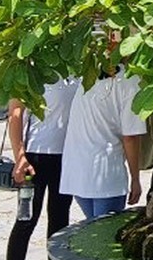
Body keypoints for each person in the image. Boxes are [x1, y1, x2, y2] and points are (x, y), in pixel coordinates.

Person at [1, 76, 80, 260]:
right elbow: (15, 113)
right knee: (26, 221)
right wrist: (19, 157)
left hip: (65, 157)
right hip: (35, 158)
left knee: (60, 221)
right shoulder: (34, 65)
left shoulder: (78, 69)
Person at [60, 35, 146, 219]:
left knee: (93, 228)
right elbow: (130, 137)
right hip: (106, 176)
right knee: (104, 237)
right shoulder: (129, 82)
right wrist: (136, 179)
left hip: (76, 172)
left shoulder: (88, 76)